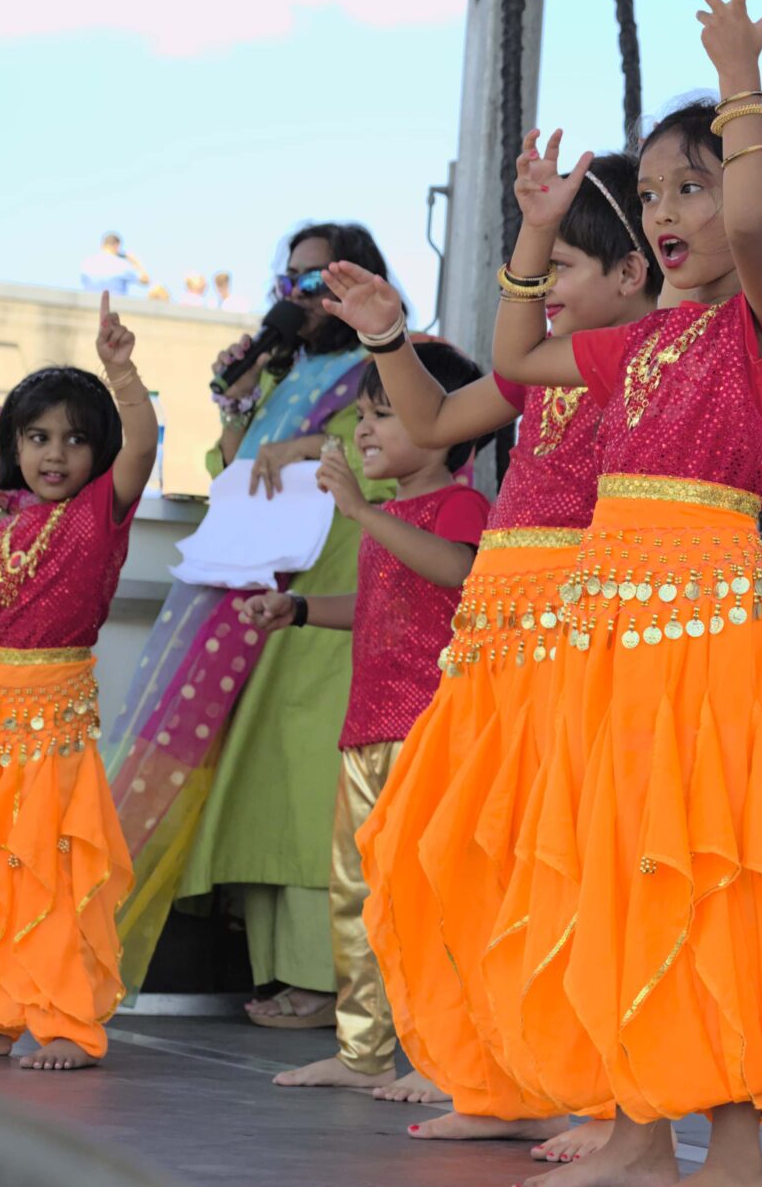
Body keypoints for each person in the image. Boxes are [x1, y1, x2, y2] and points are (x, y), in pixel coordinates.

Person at [486, 0, 762, 1187]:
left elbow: (754, 226)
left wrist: (741, 87)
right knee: (622, 861)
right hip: (608, 625)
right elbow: (515, 355)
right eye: (651, 193)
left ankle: (732, 1145)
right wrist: (537, 228)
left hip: (700, 621)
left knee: (704, 862)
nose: (669, 211)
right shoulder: (639, 342)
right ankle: (641, 1133)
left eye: (691, 185)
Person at [323, 151, 654, 1150]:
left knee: (566, 862)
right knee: (455, 850)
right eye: (539, 268)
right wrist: (387, 334)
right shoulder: (545, 367)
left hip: (574, 632)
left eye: (562, 267)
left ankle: (601, 1097)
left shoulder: (649, 360)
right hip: (493, 642)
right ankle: (503, 1078)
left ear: (632, 271)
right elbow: (428, 416)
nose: (544, 286)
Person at [108, 223, 396, 1011]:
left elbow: (400, 443)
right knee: (260, 778)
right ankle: (282, 971)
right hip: (264, 595)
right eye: (289, 278)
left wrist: (306, 442)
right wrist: (238, 397)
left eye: (315, 278)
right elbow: (233, 463)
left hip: (339, 591)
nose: (296, 294)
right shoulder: (286, 371)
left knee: (310, 777)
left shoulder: (388, 359)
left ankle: (330, 980)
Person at [241, 340, 493, 1093]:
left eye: (385, 414)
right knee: (358, 896)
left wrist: (356, 511)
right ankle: (362, 1052)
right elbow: (380, 606)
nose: (365, 431)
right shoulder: (389, 516)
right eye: (363, 415)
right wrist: (299, 608)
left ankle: (449, 1061)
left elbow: (459, 571)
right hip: (367, 734)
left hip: (430, 734)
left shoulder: (461, 506)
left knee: (434, 897)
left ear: (446, 426)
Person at [0, 301, 153, 1070]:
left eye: (74, 438)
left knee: (52, 870)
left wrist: (122, 373)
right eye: (37, 437)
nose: (55, 453)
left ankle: (67, 1023)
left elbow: (143, 445)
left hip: (50, 722)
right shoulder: (0, 530)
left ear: (99, 451)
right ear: (14, 446)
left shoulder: (102, 511)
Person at [77, 234, 148, 297]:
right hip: (114, 305)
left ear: (102, 245)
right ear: (117, 246)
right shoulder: (122, 265)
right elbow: (145, 280)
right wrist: (135, 262)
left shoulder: (87, 263)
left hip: (90, 304)